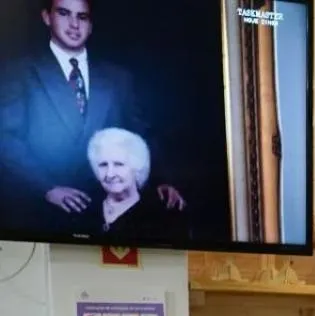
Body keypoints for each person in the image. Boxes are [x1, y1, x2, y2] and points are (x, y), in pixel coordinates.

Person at [0, 0, 184, 232]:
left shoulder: (118, 78)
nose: (74, 24)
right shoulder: (19, 72)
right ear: (47, 17)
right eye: (64, 14)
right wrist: (47, 189)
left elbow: (140, 134)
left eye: (82, 17)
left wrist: (161, 180)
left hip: (104, 214)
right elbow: (5, 140)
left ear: (91, 25)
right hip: (39, 214)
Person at [85, 127, 183, 242]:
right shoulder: (85, 209)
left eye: (119, 164)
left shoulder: (159, 214)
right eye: (103, 165)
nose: (110, 174)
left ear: (137, 167)